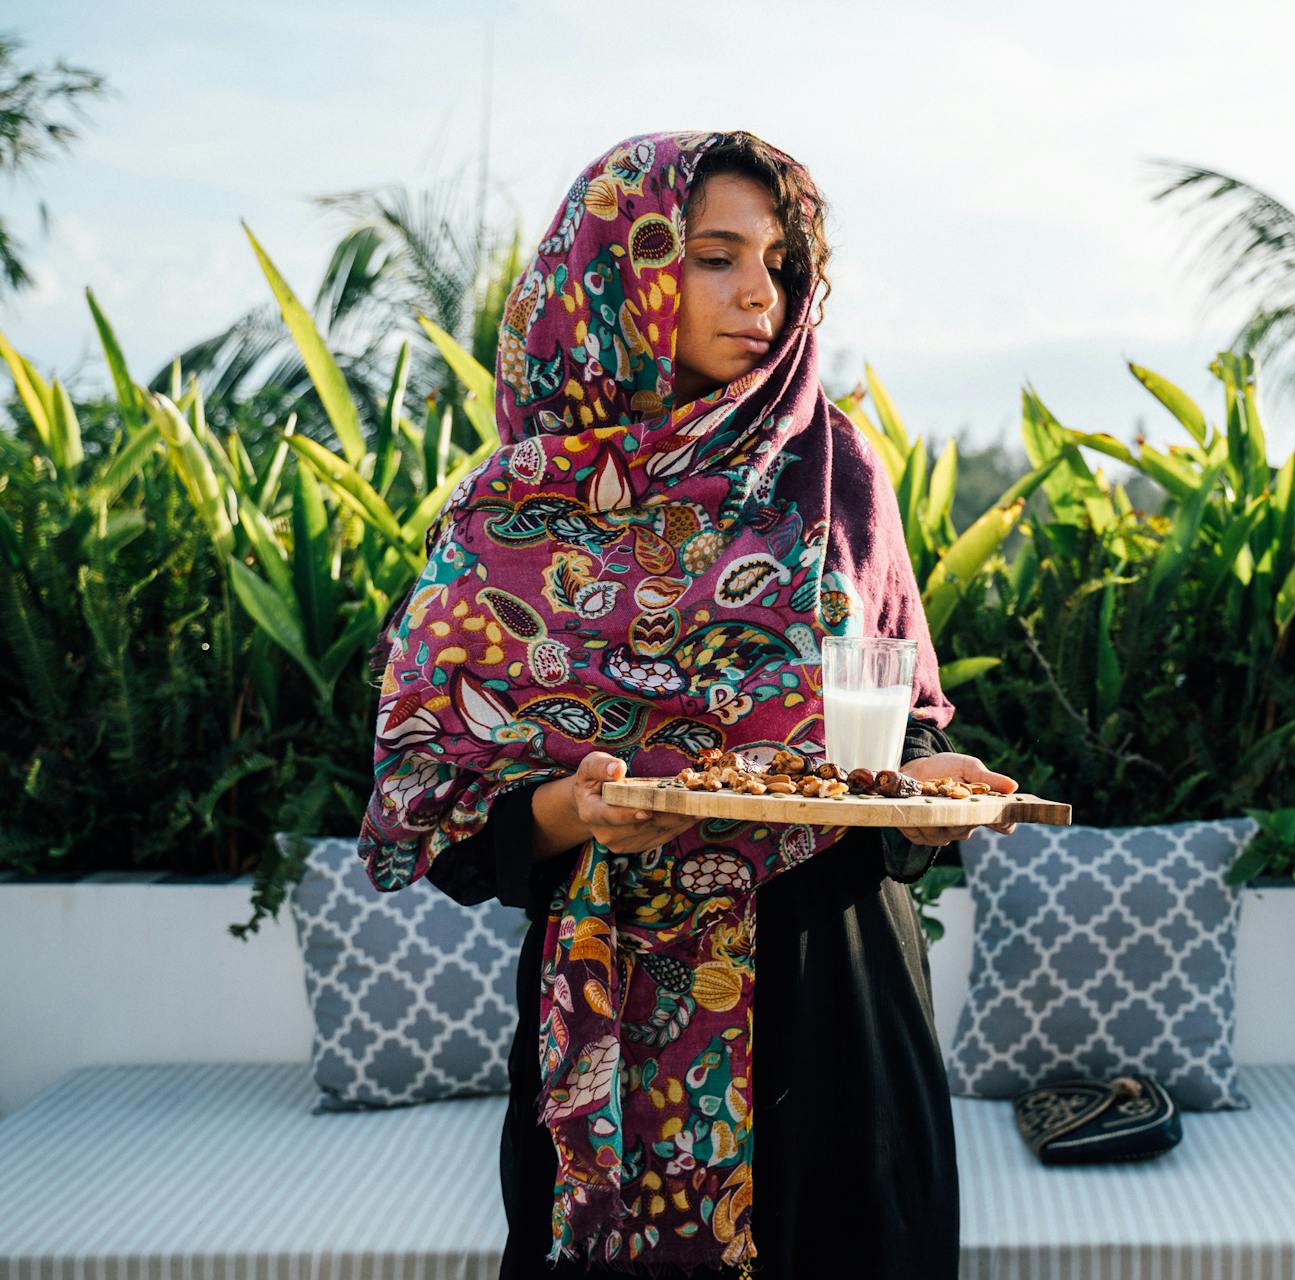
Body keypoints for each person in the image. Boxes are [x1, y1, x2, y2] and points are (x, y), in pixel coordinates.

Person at [358, 130, 1020, 1279]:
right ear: (620, 272)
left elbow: (892, 725)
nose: (761, 290)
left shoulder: (833, 469)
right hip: (610, 1012)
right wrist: (576, 804)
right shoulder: (510, 512)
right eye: (716, 255)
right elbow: (449, 816)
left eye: (778, 261)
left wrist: (919, 790)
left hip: (835, 1009)